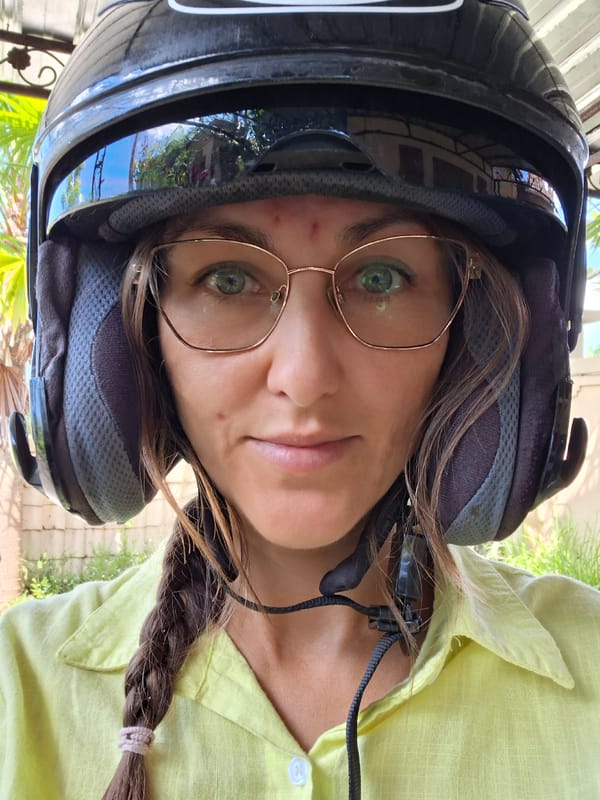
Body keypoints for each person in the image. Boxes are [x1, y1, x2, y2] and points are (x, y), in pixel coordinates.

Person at [2, 1, 600, 798]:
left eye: (383, 277)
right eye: (229, 278)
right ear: (133, 338)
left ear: (477, 346)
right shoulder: (18, 692)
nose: (305, 375)